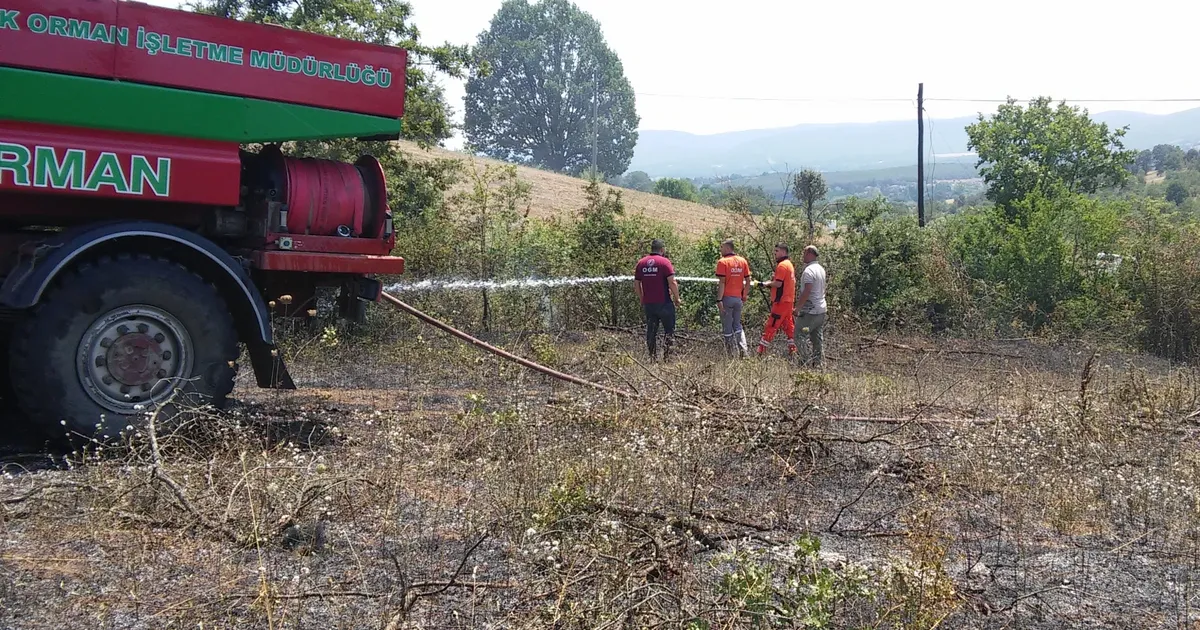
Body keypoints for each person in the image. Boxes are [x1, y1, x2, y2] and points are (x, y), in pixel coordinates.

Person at [634, 239, 682, 361]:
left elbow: (636, 284)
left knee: (651, 331)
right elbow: (672, 282)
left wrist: (641, 299)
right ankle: (667, 358)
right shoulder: (664, 262)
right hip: (664, 303)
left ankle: (652, 357)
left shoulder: (641, 263)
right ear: (662, 250)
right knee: (669, 331)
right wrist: (677, 298)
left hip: (649, 304)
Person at [757, 242, 797, 356]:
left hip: (781, 302)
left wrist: (766, 284)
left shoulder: (782, 265)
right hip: (789, 302)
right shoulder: (789, 264)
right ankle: (793, 350)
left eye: (777, 251)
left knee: (771, 325)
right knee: (789, 327)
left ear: (784, 252)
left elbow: (778, 284)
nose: (775, 254)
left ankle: (761, 351)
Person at [714, 239, 752, 357]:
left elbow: (722, 283)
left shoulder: (723, 262)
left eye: (722, 247)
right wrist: (744, 295)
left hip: (727, 298)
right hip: (738, 298)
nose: (720, 250)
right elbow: (748, 280)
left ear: (727, 248)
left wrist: (719, 300)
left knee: (727, 326)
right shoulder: (742, 261)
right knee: (737, 325)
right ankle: (744, 351)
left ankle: (729, 354)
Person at [793, 245, 828, 367]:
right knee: (816, 337)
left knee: (799, 335)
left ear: (809, 253)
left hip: (810, 311)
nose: (803, 256)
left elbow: (807, 290)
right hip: (821, 309)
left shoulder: (809, 271)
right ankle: (817, 363)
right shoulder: (821, 269)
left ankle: (804, 361)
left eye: (804, 253)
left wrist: (798, 308)